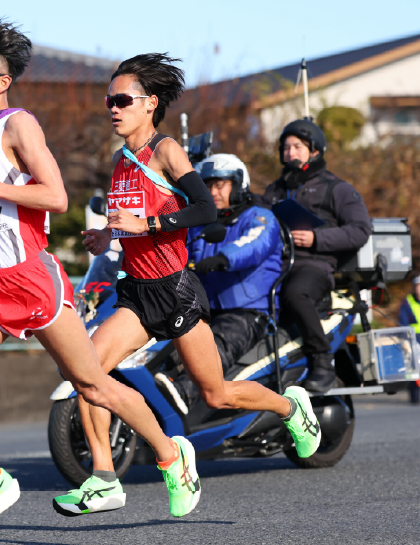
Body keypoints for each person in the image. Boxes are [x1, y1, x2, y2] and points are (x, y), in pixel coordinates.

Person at [0, 19, 206, 534]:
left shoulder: (18, 124)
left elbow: (56, 198)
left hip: (32, 279)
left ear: (0, 81)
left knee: (92, 386)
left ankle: (170, 455)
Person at [62, 55, 321, 517]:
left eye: (122, 101)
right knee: (87, 374)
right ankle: (106, 476)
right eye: (109, 101)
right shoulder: (122, 162)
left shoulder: (167, 152)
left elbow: (203, 209)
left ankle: (289, 408)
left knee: (216, 392)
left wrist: (150, 223)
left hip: (176, 289)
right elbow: (130, 225)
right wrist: (108, 235)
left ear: (150, 104)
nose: (113, 109)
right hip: (137, 292)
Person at [156, 154, 283, 411]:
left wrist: (222, 259)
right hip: (204, 308)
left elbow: (254, 244)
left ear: (238, 184)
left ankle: (184, 392)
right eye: (207, 186)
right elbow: (179, 249)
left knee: (218, 345)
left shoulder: (259, 217)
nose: (213, 191)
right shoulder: (201, 223)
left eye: (220, 184)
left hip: (249, 311)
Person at [262, 120, 372, 393]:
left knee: (295, 293)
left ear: (315, 151)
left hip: (315, 265)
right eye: (286, 147)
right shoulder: (274, 190)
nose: (290, 152)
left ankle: (322, 361)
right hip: (276, 263)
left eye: (297, 146)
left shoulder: (338, 188)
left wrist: (317, 239)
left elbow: (361, 230)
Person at [398, 274, 420, 405]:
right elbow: (403, 322)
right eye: (418, 286)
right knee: (415, 370)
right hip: (415, 340)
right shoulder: (408, 302)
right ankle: (415, 398)